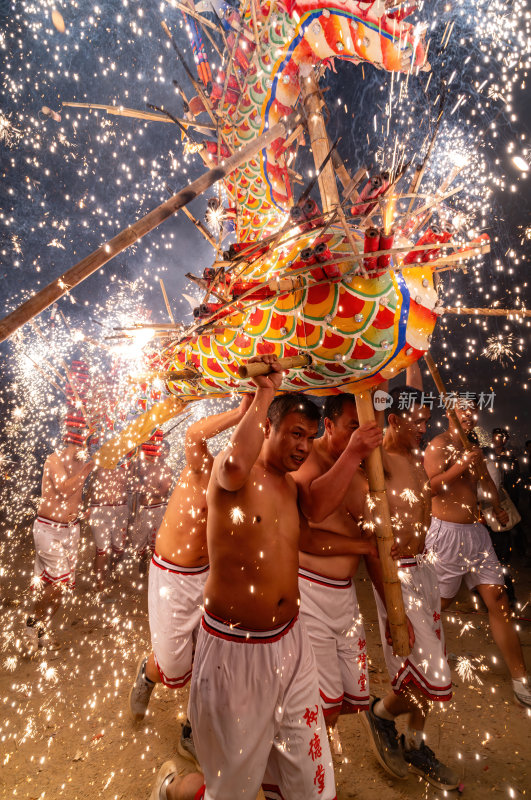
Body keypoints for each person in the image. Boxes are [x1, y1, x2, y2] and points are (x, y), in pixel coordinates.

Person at [154, 355, 336, 800]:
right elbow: (236, 460)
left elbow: (318, 512)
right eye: (295, 433)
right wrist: (262, 397)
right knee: (231, 790)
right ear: (268, 428)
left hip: (292, 646)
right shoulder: (229, 475)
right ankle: (173, 788)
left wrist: (353, 450)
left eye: (310, 438)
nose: (303, 446)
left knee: (310, 784)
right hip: (235, 653)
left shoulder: (290, 487)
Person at [129, 398, 251, 761]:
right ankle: (149, 673)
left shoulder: (249, 489)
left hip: (209, 578)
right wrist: (241, 413)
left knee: (213, 659)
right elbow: (196, 433)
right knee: (174, 665)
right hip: (172, 577)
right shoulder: (203, 471)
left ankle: (193, 729)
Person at [364, 386, 458, 790]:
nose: (424, 427)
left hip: (425, 569)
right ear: (394, 420)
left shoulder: (413, 457)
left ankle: (415, 743)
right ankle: (382, 713)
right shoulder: (378, 459)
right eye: (416, 420)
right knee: (431, 669)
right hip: (396, 573)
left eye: (426, 419)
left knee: (430, 660)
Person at [424, 397, 531, 707]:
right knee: (438, 603)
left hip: (478, 534)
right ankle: (425, 658)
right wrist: (459, 467)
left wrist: (496, 507)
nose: (469, 416)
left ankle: (520, 677)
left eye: (473, 410)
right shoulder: (438, 445)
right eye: (462, 410)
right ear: (449, 414)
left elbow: (484, 482)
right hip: (446, 535)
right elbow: (429, 488)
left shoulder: (475, 445)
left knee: (498, 600)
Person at [293, 394, 387, 730]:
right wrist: (361, 546)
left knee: (352, 698)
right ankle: (307, 771)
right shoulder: (305, 459)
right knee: (324, 705)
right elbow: (314, 513)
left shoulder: (363, 467)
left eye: (364, 428)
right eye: (351, 427)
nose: (359, 435)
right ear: (328, 425)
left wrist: (391, 609)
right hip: (308, 594)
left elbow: (377, 545)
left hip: (344, 597)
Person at [19, 433, 93, 654]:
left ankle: (40, 629)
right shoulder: (54, 459)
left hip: (71, 531)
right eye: (85, 443)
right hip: (47, 529)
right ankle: (32, 624)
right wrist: (87, 471)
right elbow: (63, 488)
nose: (87, 449)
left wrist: (80, 512)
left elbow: (74, 496)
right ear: (73, 442)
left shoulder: (80, 462)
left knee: (62, 587)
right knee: (59, 581)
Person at [129, 431, 173, 576]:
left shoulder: (166, 470)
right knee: (138, 540)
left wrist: (142, 488)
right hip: (143, 509)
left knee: (155, 542)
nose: (163, 453)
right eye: (161, 449)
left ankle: (153, 569)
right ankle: (143, 560)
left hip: (158, 509)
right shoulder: (145, 465)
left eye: (166, 451)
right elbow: (132, 476)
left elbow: (162, 492)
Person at [87, 461, 130, 593]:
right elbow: (89, 491)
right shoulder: (96, 468)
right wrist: (87, 507)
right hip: (100, 510)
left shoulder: (126, 469)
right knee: (102, 551)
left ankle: (114, 572)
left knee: (119, 549)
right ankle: (100, 586)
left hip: (120, 510)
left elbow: (131, 488)